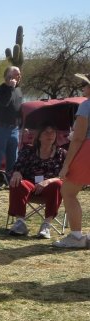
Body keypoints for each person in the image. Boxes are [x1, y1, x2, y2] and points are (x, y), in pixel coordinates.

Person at [7, 122, 65, 239]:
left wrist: (48, 181)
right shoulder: (28, 150)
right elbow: (17, 167)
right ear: (39, 136)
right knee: (18, 182)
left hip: (50, 188)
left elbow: (64, 176)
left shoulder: (61, 153)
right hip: (29, 186)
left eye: (53, 132)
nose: (50, 135)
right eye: (46, 132)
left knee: (58, 184)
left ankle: (46, 226)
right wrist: (17, 173)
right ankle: (20, 223)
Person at [54, 73, 90, 248]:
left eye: (85, 84)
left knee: (68, 191)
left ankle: (76, 237)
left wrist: (66, 165)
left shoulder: (86, 106)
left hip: (87, 151)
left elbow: (78, 139)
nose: (83, 88)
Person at [0, 66, 23, 188]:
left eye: (18, 74)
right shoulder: (0, 90)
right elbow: (5, 102)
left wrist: (22, 125)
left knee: (13, 156)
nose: (18, 77)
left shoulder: (18, 90)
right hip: (1, 128)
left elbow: (19, 109)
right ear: (7, 77)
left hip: (14, 128)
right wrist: (10, 88)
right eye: (14, 75)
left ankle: (10, 180)